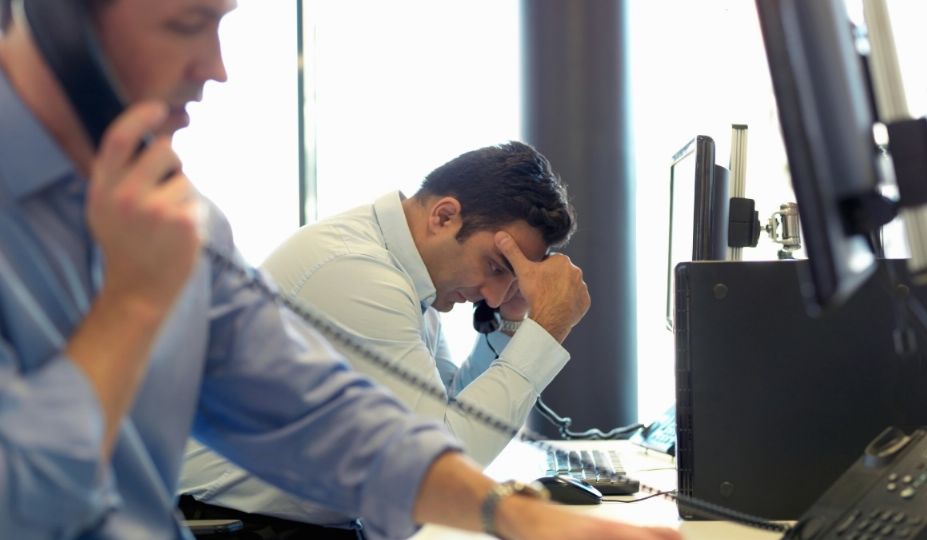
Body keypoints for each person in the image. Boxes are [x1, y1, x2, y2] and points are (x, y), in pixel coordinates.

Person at [0, 1, 683, 539]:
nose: (217, 68)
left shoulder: (182, 222)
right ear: (62, 18)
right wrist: (133, 305)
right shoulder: (327, 267)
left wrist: (521, 517)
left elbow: (322, 418)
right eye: (187, 24)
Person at [180, 142, 590, 531]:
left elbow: (448, 408)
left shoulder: (406, 274)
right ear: (444, 217)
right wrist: (547, 328)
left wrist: (510, 326)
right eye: (497, 265)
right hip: (235, 527)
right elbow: (450, 458)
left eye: (512, 278)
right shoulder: (358, 273)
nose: (497, 295)